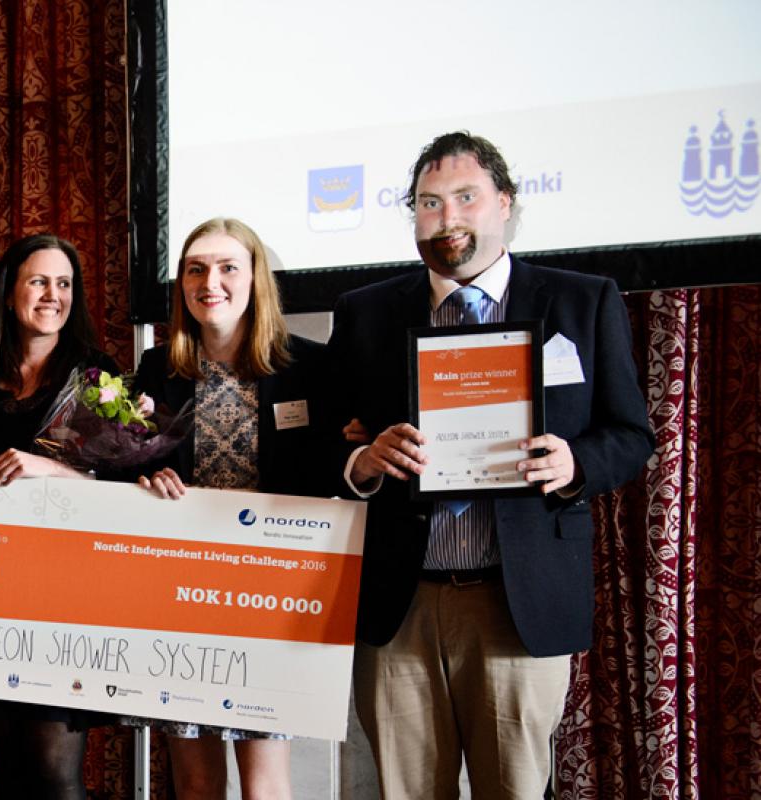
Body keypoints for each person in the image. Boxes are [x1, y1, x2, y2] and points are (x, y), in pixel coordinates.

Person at [330, 131, 654, 798]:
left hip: (519, 603)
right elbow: (332, 442)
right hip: (402, 604)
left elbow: (630, 435)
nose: (446, 218)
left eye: (465, 198)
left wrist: (574, 461)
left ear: (504, 204)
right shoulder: (363, 313)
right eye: (428, 202)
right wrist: (363, 460)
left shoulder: (580, 301)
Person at [130, 218, 336, 800]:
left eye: (227, 268)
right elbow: (125, 469)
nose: (209, 282)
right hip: (179, 594)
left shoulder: (309, 367)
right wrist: (146, 473)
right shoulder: (155, 369)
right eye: (195, 269)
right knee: (194, 783)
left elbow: (331, 473)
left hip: (269, 594)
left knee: (265, 781)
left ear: (254, 280)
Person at [0, 233, 114, 798]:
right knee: (8, 774)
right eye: (39, 281)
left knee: (57, 778)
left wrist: (51, 470)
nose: (52, 295)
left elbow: (124, 493)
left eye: (64, 284)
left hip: (66, 606)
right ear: (10, 294)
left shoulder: (98, 378)